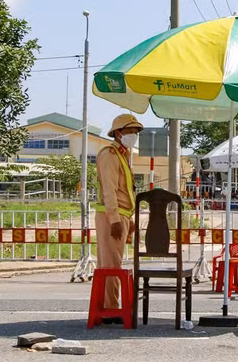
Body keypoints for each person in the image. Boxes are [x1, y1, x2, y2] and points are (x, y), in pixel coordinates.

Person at [95, 113, 143, 324]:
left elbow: (124, 192)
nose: (134, 135)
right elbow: (110, 190)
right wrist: (114, 218)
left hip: (121, 215)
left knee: (113, 264)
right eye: (130, 131)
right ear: (118, 132)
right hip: (111, 216)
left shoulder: (123, 155)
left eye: (136, 132)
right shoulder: (110, 154)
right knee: (111, 265)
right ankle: (110, 309)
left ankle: (110, 307)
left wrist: (127, 219)